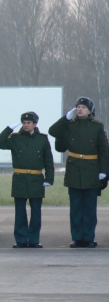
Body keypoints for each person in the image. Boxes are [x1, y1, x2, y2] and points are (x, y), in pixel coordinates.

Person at [49, 97, 109, 247]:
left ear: (89, 110)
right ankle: (77, 238)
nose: (80, 109)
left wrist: (104, 172)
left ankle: (88, 238)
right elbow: (52, 131)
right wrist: (65, 118)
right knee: (75, 208)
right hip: (74, 170)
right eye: (78, 107)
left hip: (91, 170)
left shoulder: (97, 126)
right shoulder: (69, 125)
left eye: (83, 107)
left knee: (89, 208)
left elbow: (104, 151)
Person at [0, 112, 54, 248]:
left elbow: (48, 160)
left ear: (35, 124)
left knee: (36, 212)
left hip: (36, 178)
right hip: (20, 179)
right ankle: (21, 240)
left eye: (29, 123)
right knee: (20, 211)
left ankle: (34, 239)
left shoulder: (42, 139)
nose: (26, 125)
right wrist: (9, 129)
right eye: (24, 123)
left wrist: (49, 178)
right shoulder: (15, 138)